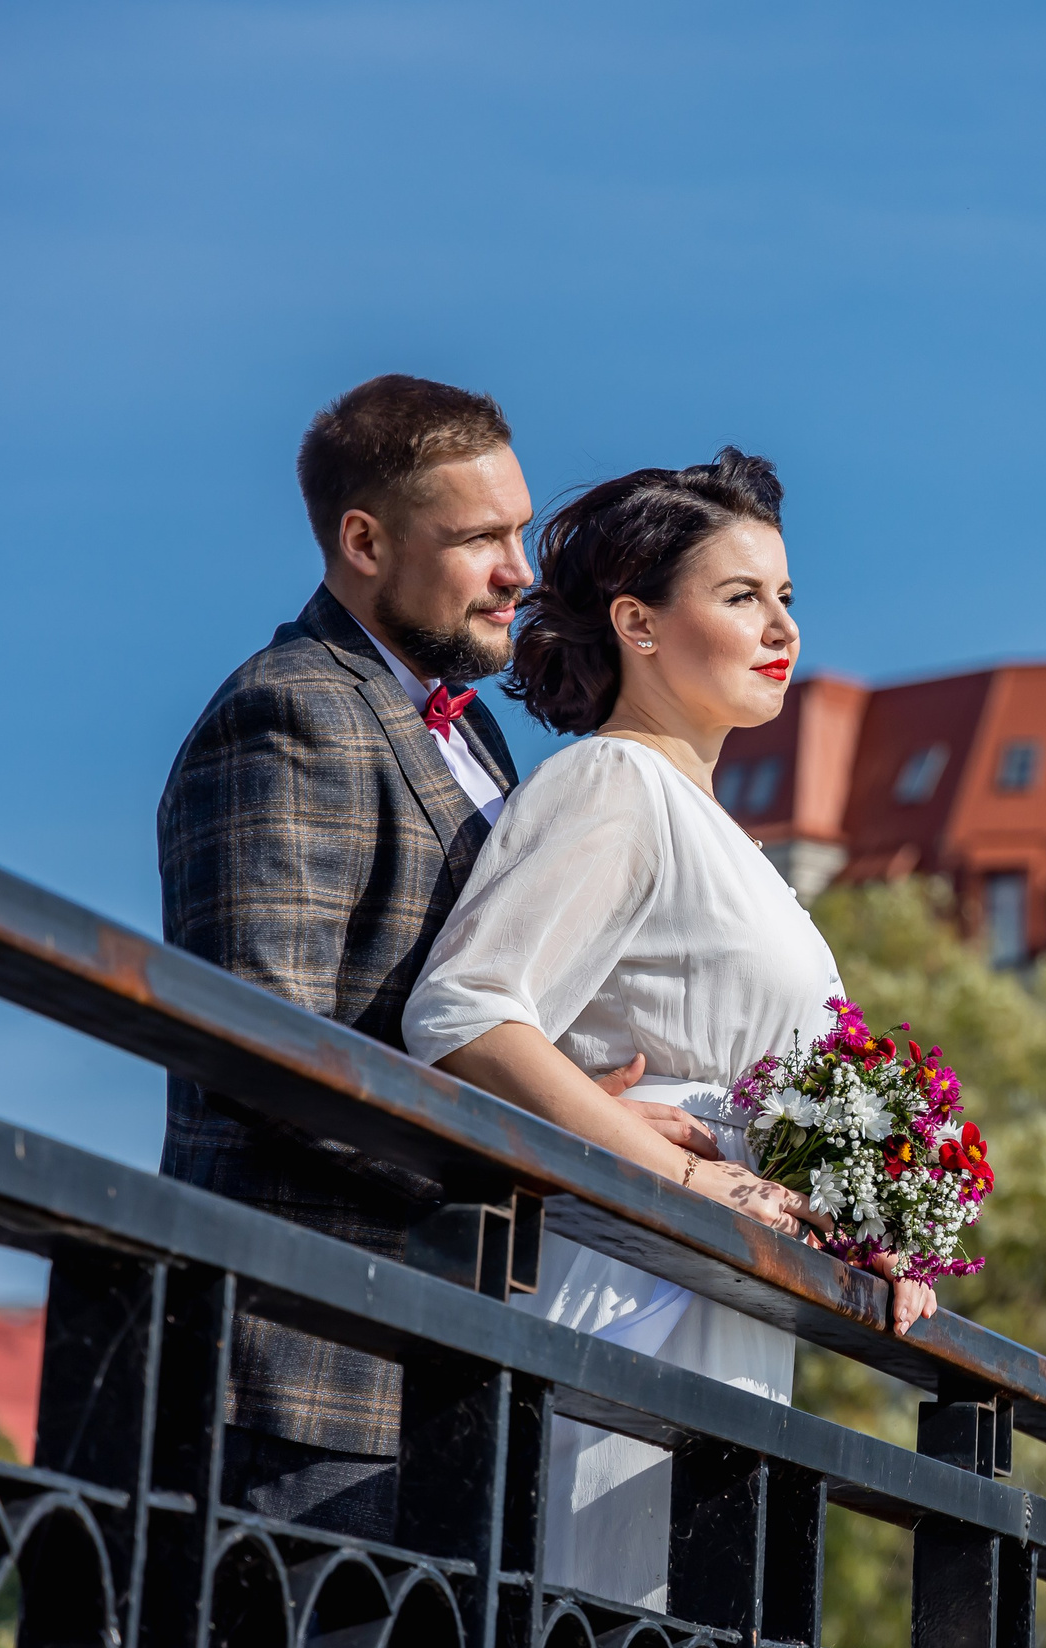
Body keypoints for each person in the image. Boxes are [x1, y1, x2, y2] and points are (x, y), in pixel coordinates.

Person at [158, 375, 714, 1539]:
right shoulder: (287, 712)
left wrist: (576, 1103)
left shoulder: (479, 733)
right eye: (479, 539)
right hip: (307, 1368)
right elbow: (264, 1054)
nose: (521, 568)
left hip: (455, 1361)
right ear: (363, 540)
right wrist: (544, 1141)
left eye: (518, 530)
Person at [401, 450, 937, 1609]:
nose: (780, 625)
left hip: (720, 1292)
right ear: (638, 624)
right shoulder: (612, 786)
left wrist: (870, 1223)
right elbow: (462, 1012)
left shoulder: (717, 832)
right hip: (631, 1286)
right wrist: (671, 1175)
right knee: (606, 1618)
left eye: (787, 597)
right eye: (741, 597)